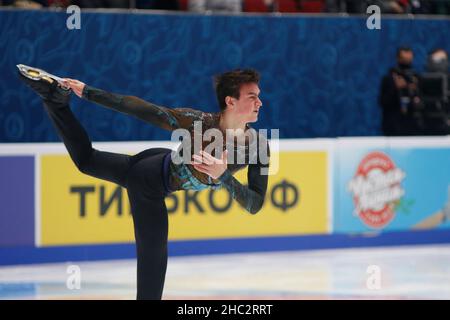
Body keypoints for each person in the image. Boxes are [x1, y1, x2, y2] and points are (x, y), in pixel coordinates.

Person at [18, 67, 269, 300]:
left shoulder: (259, 146)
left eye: (258, 96)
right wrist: (88, 91)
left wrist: (223, 175)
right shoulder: (199, 122)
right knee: (153, 261)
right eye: (252, 97)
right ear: (230, 101)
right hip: (150, 181)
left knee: (86, 160)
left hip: (159, 160)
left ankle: (55, 102)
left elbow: (255, 204)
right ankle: (56, 101)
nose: (259, 102)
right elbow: (143, 109)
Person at [379, 47, 422, 136]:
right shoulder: (389, 79)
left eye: (409, 60)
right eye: (404, 60)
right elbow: (383, 102)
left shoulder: (416, 78)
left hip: (413, 126)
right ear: (398, 59)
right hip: (393, 127)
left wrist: (414, 91)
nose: (406, 63)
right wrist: (396, 88)